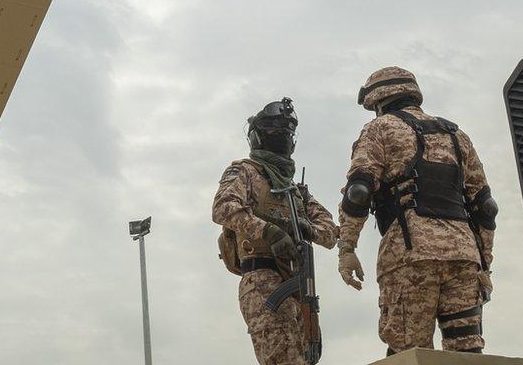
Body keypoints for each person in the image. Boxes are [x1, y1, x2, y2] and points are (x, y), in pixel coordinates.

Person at [335, 66, 496, 354]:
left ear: (379, 103)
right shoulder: (457, 135)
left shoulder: (380, 129)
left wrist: (347, 248)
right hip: (463, 255)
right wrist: (484, 262)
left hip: (409, 256)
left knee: (408, 353)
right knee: (467, 354)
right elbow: (485, 206)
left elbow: (358, 192)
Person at [212, 98, 339, 364]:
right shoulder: (244, 171)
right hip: (262, 280)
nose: (282, 137)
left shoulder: (296, 190)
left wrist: (308, 229)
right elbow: (223, 207)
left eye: (286, 132)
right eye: (274, 132)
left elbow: (329, 232)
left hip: (297, 284)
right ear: (259, 137)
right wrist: (269, 232)